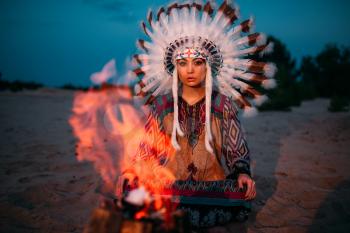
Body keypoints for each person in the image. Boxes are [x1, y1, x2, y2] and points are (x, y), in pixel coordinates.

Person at [121, 0, 276, 228]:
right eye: (182, 63)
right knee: (130, 190)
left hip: (212, 187)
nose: (190, 69)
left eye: (198, 62)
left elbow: (236, 150)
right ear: (174, 67)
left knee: (242, 195)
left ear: (209, 66)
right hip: (169, 185)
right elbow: (147, 149)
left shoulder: (223, 104)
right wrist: (132, 171)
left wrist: (242, 173)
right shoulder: (162, 104)